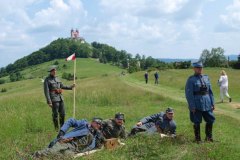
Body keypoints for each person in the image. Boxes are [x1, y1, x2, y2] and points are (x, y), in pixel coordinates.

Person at [33, 117, 105, 158]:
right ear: (93, 122)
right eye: (98, 124)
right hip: (66, 142)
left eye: (100, 125)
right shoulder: (84, 124)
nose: (99, 126)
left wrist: (98, 140)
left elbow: (93, 147)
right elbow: (71, 121)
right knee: (52, 151)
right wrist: (62, 131)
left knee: (67, 156)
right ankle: (32, 155)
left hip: (73, 150)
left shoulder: (95, 136)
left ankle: (44, 153)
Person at [185, 61, 215, 143]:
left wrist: (212, 103)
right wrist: (192, 106)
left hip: (207, 103)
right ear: (194, 69)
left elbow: (210, 92)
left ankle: (209, 137)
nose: (200, 69)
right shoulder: (191, 80)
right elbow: (189, 94)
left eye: (201, 68)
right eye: (198, 68)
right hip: (197, 104)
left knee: (210, 119)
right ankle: (197, 139)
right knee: (197, 121)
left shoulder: (206, 77)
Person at [44, 66, 75, 131]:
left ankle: (62, 128)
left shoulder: (58, 78)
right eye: (53, 71)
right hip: (54, 99)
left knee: (63, 114)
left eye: (55, 70)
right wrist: (49, 101)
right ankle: (56, 129)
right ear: (50, 72)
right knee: (55, 114)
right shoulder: (47, 80)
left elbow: (62, 86)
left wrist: (70, 87)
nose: (54, 71)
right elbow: (46, 91)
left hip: (61, 98)